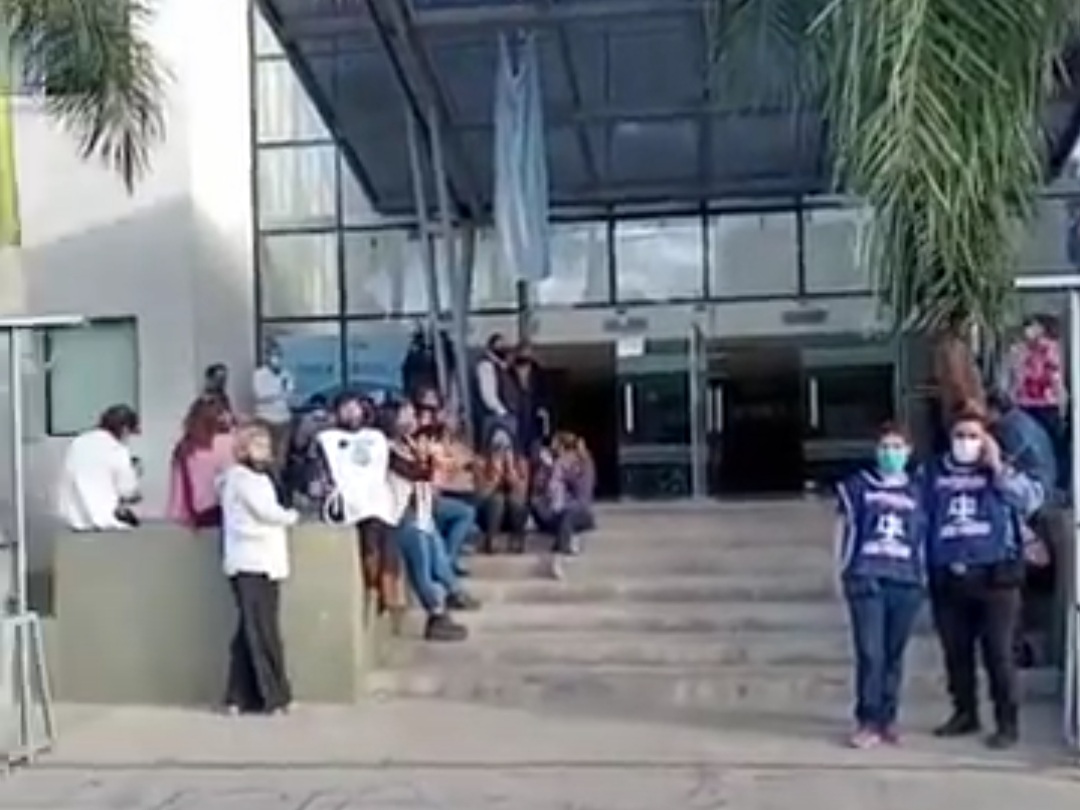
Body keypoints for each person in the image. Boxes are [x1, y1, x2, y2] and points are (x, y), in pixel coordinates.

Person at [924, 405, 1044, 749]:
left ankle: (1007, 723)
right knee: (956, 653)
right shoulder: (933, 472)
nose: (966, 442)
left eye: (974, 436)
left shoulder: (1002, 470)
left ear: (987, 439)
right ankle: (965, 713)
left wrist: (997, 467)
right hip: (949, 575)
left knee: (999, 654)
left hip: (996, 578)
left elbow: (1031, 500)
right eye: (960, 436)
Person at [835, 424, 924, 749]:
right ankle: (868, 719)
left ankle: (889, 717)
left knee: (894, 654)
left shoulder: (919, 491)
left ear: (909, 451)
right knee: (871, 652)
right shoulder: (858, 487)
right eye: (885, 447)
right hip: (867, 576)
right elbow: (844, 531)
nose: (890, 453)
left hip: (906, 579)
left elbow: (923, 536)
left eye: (897, 447)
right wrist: (845, 571)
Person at [220, 421, 299, 715]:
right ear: (243, 449)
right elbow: (267, 512)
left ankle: (238, 696)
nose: (264, 451)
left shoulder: (259, 478)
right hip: (251, 563)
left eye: (266, 445)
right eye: (257, 445)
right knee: (263, 632)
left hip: (262, 562)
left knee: (249, 632)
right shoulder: (241, 479)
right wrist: (291, 516)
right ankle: (274, 696)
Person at [387, 400, 479, 641]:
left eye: (411, 416)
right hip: (400, 516)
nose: (411, 421)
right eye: (405, 415)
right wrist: (428, 460)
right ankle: (436, 616)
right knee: (422, 568)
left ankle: (449, 600)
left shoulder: (410, 445)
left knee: (436, 556)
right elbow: (414, 472)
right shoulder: (388, 449)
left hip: (419, 512)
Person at [313, 391, 401, 615]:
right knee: (371, 528)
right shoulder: (327, 439)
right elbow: (317, 471)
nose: (351, 412)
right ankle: (374, 583)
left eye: (355, 407)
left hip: (376, 497)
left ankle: (388, 586)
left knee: (386, 526)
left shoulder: (376, 437)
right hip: (347, 501)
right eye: (346, 408)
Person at [56, 405, 141, 531]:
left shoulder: (78, 442)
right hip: (106, 521)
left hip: (72, 518)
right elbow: (128, 492)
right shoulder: (117, 449)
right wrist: (135, 474)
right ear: (124, 430)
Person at [532, 432, 596, 579]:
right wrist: (547, 470)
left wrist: (568, 472)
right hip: (554, 511)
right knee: (554, 515)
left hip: (579, 511)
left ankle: (558, 557)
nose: (557, 454)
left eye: (558, 449)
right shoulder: (550, 466)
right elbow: (539, 491)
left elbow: (583, 496)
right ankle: (570, 538)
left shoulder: (583, 464)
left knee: (567, 517)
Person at [166, 396, 235, 529]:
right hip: (217, 516)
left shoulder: (184, 447)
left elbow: (177, 494)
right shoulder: (226, 444)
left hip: (189, 518)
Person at [986, 388, 1057, 497]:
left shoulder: (1008, 425)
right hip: (1045, 477)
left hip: (1036, 482)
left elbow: (1007, 462)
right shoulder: (1019, 417)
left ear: (994, 409)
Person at [476, 428, 530, 554]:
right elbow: (480, 497)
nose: (502, 451)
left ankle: (517, 539)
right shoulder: (480, 463)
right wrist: (496, 476)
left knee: (514, 499)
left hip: (513, 516)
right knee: (497, 499)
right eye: (497, 447)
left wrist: (511, 472)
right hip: (488, 516)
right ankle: (491, 540)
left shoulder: (521, 463)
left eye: (507, 447)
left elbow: (523, 495)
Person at [252, 340, 296, 470]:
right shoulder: (259, 375)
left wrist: (280, 393)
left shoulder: (286, 374)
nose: (276, 358)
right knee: (266, 454)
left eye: (278, 354)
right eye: (272, 354)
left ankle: (278, 478)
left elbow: (290, 394)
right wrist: (279, 392)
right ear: (266, 356)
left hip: (284, 419)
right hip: (266, 419)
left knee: (281, 456)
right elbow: (260, 395)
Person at [475, 333, 517, 444]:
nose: (503, 349)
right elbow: (488, 394)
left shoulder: (501, 366)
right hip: (496, 416)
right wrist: (502, 411)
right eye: (499, 346)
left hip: (505, 414)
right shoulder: (486, 365)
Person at [510, 342, 548, 456]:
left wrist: (542, 408)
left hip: (533, 415)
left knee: (534, 449)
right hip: (517, 414)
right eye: (523, 353)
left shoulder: (539, 373)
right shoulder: (510, 372)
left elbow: (544, 393)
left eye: (528, 353)